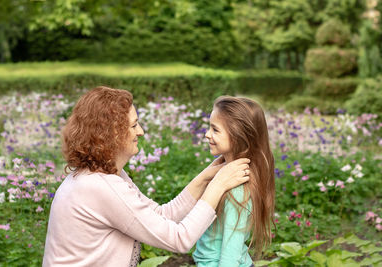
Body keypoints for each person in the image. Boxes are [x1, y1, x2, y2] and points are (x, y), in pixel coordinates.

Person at [42, 86, 250, 266]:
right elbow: (180, 239)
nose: (140, 131)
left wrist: (205, 178)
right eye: (133, 125)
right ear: (110, 134)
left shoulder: (106, 176)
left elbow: (162, 215)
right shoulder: (99, 187)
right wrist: (218, 186)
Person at [193, 96, 275, 267]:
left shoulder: (238, 189)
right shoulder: (223, 174)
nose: (207, 134)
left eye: (215, 130)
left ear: (238, 136)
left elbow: (231, 255)